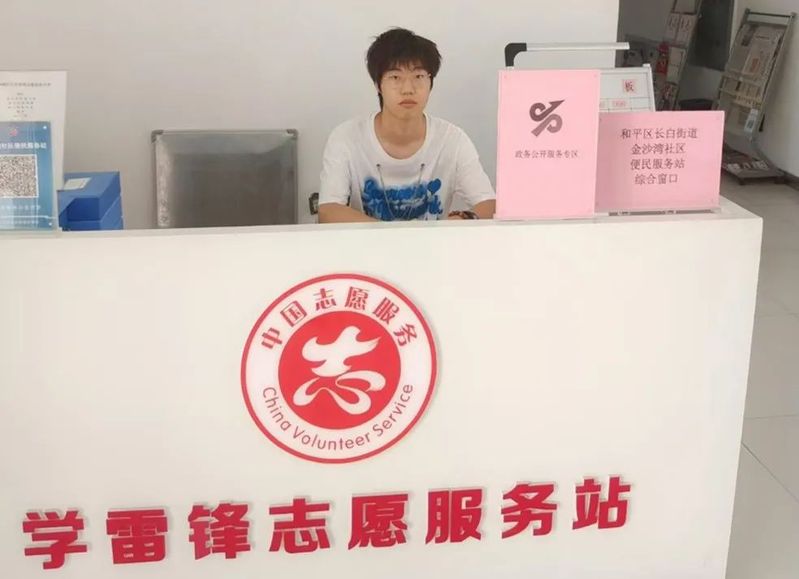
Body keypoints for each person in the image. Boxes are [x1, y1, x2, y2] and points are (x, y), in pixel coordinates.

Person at [318, 28, 496, 223]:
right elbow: (329, 211)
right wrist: (395, 236)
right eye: (395, 77)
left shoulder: (452, 140)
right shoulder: (347, 138)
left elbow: (489, 204)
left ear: (430, 82)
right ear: (378, 84)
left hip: (435, 243)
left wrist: (466, 218)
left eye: (418, 76)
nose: (408, 89)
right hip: (369, 244)